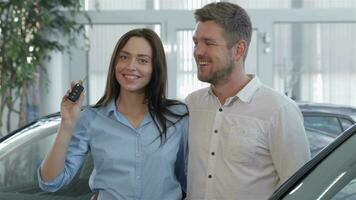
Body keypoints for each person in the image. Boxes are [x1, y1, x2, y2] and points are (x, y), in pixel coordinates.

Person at [38, 28, 189, 200]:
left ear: (155, 68)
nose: (130, 66)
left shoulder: (178, 116)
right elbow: (51, 181)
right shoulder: (91, 118)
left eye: (142, 60)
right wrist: (67, 123)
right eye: (124, 57)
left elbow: (190, 181)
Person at [185, 2, 310, 200]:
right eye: (196, 42)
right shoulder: (191, 105)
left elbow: (300, 191)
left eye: (208, 43)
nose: (198, 51)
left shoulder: (279, 110)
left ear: (238, 50)